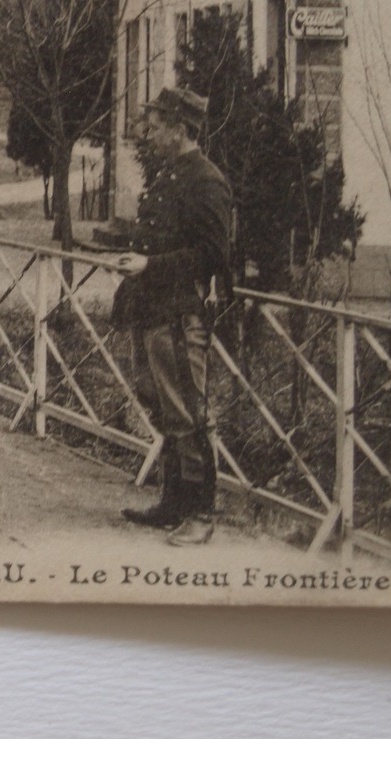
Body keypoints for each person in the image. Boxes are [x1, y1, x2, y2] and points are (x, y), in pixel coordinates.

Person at [110, 85, 233, 546]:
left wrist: (151, 266)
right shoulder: (171, 175)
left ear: (180, 129)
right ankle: (174, 503)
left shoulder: (206, 180)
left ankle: (201, 512)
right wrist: (132, 259)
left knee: (188, 411)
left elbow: (212, 256)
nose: (149, 133)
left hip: (181, 315)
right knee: (159, 403)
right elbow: (159, 240)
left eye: (157, 125)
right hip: (152, 308)